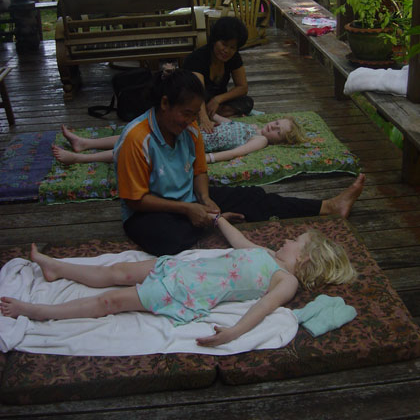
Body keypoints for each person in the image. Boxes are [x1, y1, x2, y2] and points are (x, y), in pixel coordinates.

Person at [110, 68, 365, 256]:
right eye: (186, 113)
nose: (189, 121)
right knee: (170, 242)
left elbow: (199, 170)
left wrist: (205, 199)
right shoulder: (136, 138)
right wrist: (189, 211)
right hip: (147, 213)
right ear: (164, 103)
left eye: (193, 114)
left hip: (188, 199)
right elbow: (135, 200)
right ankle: (214, 223)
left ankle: (328, 206)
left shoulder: (190, 129)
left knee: (254, 197)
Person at [0, 217, 357, 348]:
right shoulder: (266, 254)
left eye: (296, 241)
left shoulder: (285, 280)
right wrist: (218, 218)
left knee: (110, 301)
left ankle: (36, 311)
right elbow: (239, 241)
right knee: (118, 271)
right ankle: (55, 268)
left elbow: (263, 308)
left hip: (182, 290)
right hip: (179, 269)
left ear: (305, 257)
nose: (288, 240)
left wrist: (232, 332)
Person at [51, 113, 306, 166]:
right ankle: (85, 143)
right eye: (277, 122)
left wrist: (210, 158)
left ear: (278, 141)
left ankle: (80, 158)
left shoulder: (260, 141)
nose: (273, 126)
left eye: (278, 131)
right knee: (139, 134)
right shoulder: (254, 125)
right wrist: (208, 112)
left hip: (195, 145)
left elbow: (237, 153)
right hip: (194, 131)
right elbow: (225, 122)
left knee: (143, 147)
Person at [183, 16, 254, 133]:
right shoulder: (197, 58)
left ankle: (212, 114)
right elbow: (197, 91)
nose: (226, 51)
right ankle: (206, 115)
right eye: (224, 44)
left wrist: (218, 99)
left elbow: (242, 87)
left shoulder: (234, 57)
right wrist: (204, 119)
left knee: (247, 102)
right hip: (195, 99)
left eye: (232, 47)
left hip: (215, 102)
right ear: (215, 40)